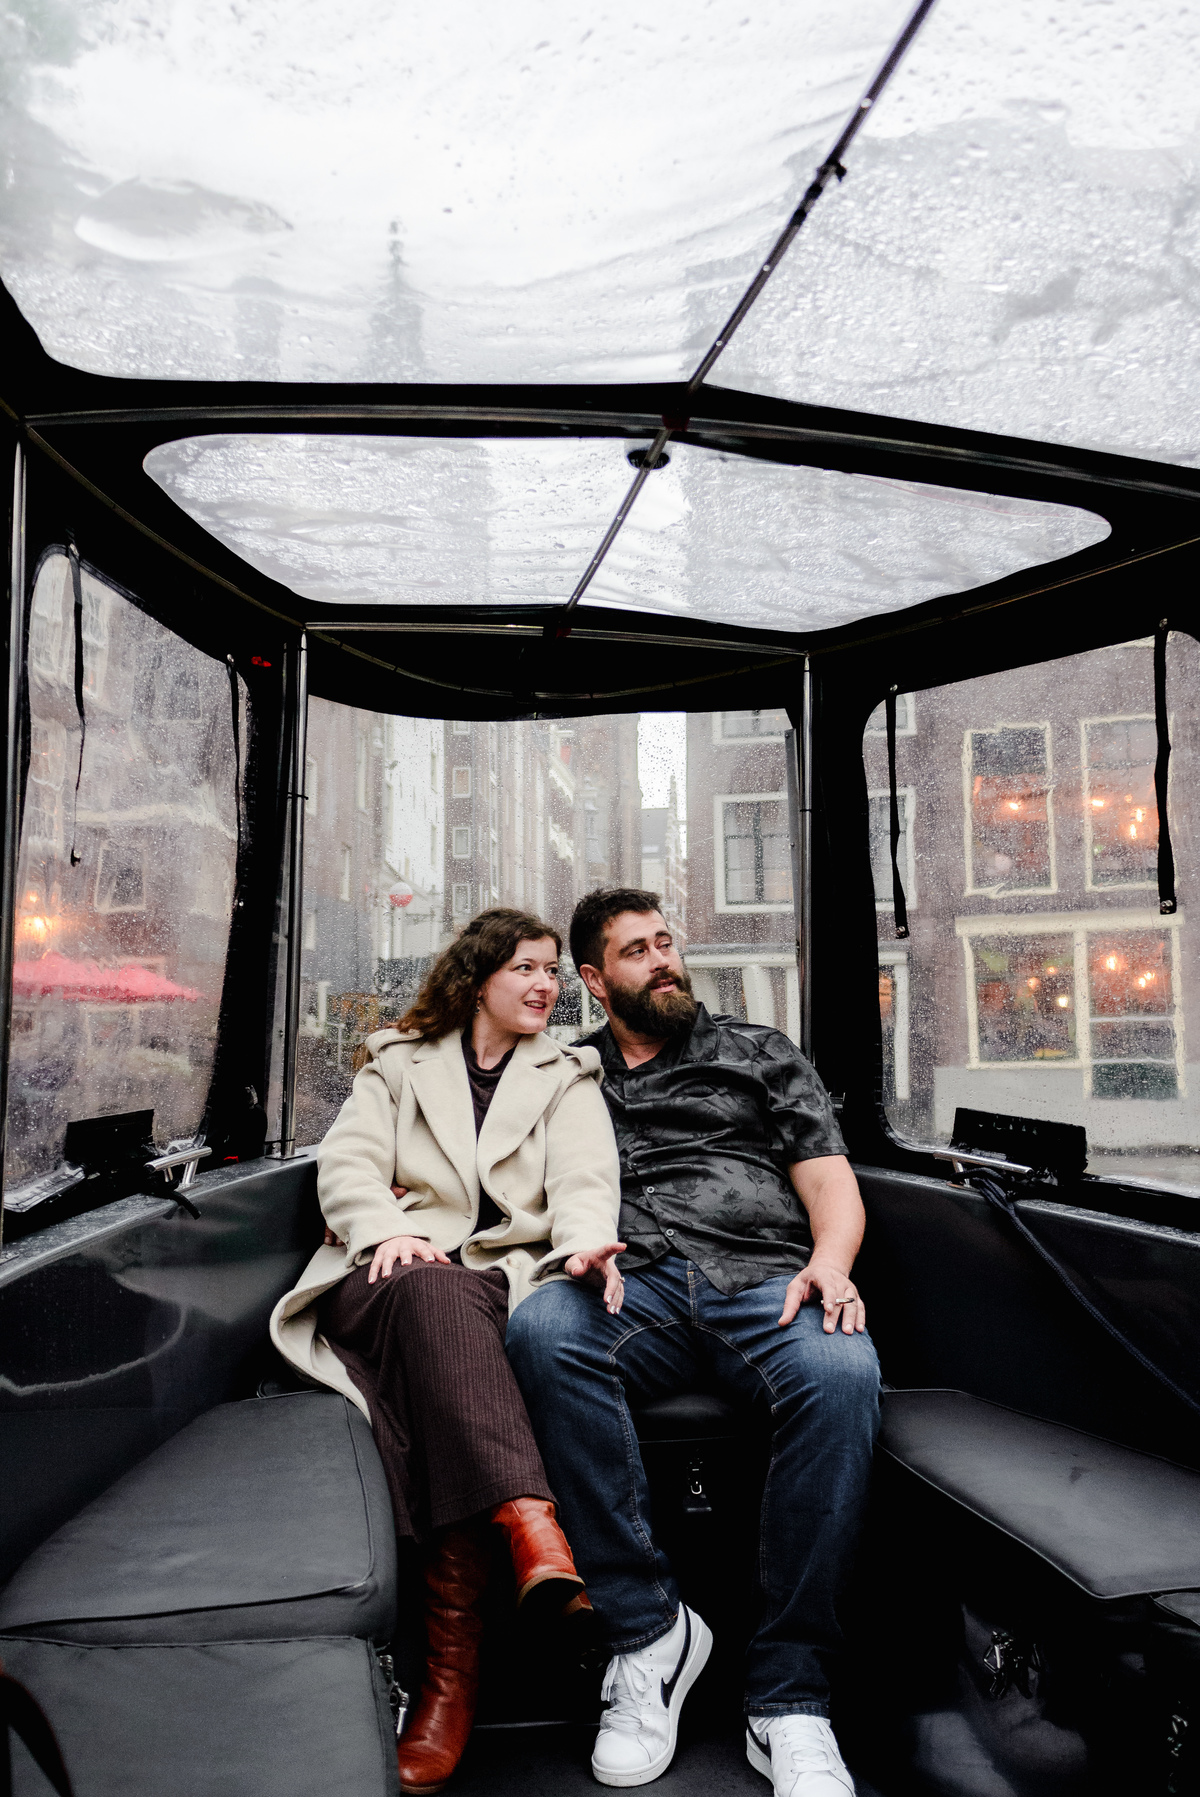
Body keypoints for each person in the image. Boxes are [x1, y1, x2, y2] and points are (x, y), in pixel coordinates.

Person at [506, 889, 880, 1797]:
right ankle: (647, 1633)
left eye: (666, 941)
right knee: (542, 1328)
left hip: (763, 1281)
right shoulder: (562, 1070)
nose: (664, 960)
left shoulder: (760, 1053)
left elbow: (830, 1185)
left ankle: (789, 1697)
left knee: (842, 1370)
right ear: (594, 980)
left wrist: (830, 1264)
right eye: (636, 950)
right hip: (628, 1286)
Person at [270, 908, 624, 1795]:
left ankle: (448, 1678)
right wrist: (385, 1228)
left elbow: (585, 1182)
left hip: (500, 1279)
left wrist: (585, 1247)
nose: (546, 984)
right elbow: (348, 1165)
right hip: (386, 1271)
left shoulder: (568, 1076)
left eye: (552, 970)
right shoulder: (396, 1061)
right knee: (430, 1292)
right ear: (477, 979)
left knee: (445, 1347)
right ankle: (529, 1524)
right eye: (526, 968)